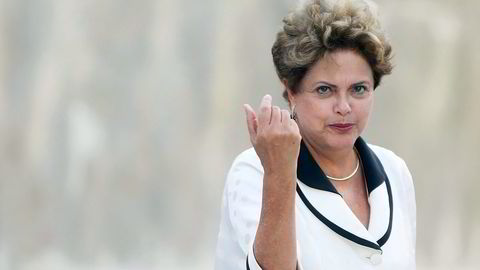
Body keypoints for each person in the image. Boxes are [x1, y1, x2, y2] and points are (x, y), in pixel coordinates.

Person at [215, 0, 416, 269]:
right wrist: (279, 173)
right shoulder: (255, 171)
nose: (344, 107)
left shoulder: (394, 171)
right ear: (291, 91)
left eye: (359, 89)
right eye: (324, 90)